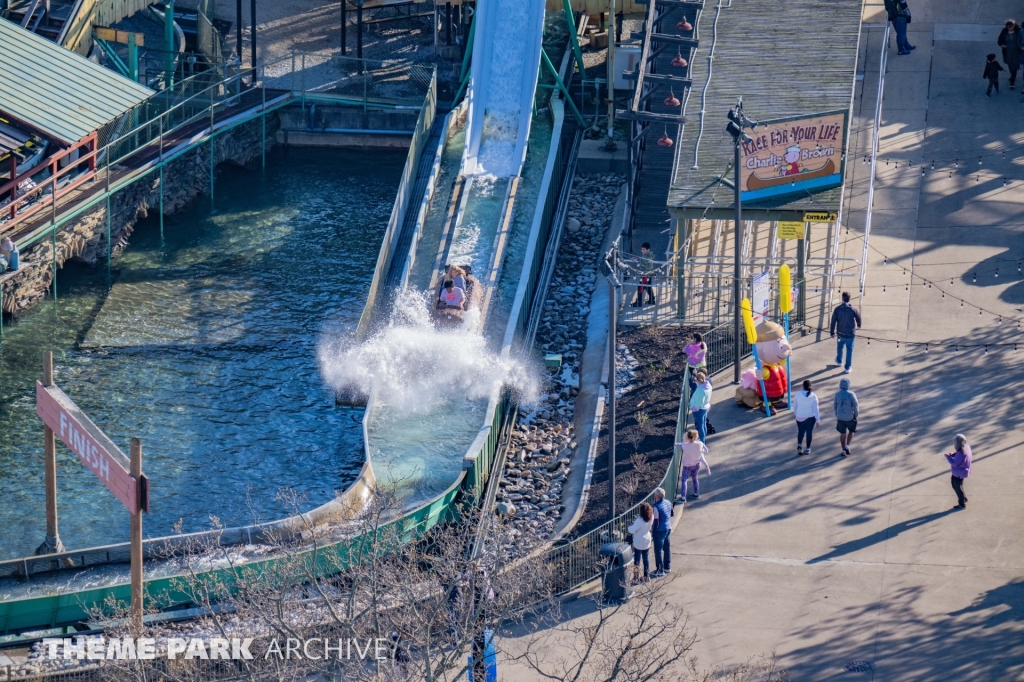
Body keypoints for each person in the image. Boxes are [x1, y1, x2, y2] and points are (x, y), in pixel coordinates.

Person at [829, 291, 862, 373]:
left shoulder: (837, 309)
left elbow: (833, 321)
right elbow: (858, 317)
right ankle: (848, 367)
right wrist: (858, 324)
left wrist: (832, 332)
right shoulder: (853, 309)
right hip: (850, 334)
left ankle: (839, 360)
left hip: (840, 334)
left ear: (842, 299)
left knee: (840, 347)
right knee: (849, 349)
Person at [675, 428, 711, 502]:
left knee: (684, 480)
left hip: (687, 466)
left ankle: (683, 497)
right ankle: (696, 494)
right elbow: (706, 450)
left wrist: (675, 444)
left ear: (688, 437)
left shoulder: (685, 445)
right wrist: (702, 451)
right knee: (695, 478)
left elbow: (679, 444)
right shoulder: (700, 443)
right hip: (697, 464)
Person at [627, 502, 654, 582]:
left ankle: (635, 578)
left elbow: (631, 530)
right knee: (646, 558)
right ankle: (646, 576)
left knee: (637, 560)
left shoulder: (639, 520)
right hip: (647, 539)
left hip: (639, 541)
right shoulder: (651, 517)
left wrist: (631, 526)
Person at [944, 434, 972, 509]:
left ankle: (962, 504)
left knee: (956, 487)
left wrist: (948, 457)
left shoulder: (961, 453)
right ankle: (964, 498)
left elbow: (954, 463)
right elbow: (959, 456)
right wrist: (953, 454)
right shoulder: (966, 447)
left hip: (958, 473)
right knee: (959, 485)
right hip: (963, 471)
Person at [793, 379, 820, 456]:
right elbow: (816, 409)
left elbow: (795, 405)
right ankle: (808, 448)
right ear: (810, 386)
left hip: (799, 416)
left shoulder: (798, 394)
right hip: (810, 417)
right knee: (809, 432)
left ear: (803, 386)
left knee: (800, 432)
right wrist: (818, 420)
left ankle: (799, 445)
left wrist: (796, 414)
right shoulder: (814, 396)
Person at [650, 488, 673, 577]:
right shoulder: (668, 502)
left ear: (656, 496)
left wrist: (653, 531)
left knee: (658, 550)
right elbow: (671, 513)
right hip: (668, 528)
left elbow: (656, 521)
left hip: (659, 530)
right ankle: (667, 567)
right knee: (667, 548)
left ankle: (660, 569)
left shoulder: (656, 507)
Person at [834, 377, 859, 457]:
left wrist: (837, 415)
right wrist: (856, 415)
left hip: (840, 417)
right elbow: (855, 406)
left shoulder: (837, 394)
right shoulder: (852, 394)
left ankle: (843, 450)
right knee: (851, 431)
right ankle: (847, 445)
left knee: (842, 433)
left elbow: (835, 406)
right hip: (850, 417)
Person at [689, 369, 712, 443]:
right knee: (703, 424)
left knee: (700, 426)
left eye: (696, 380)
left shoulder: (701, 390)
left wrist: (694, 408)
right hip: (705, 407)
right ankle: (703, 439)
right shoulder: (707, 386)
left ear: (699, 380)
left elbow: (699, 402)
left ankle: (702, 442)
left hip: (699, 409)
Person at [998, 20, 1023, 89]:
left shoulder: (1018, 32)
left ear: (1014, 26)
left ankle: (1012, 82)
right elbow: (999, 41)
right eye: (1008, 27)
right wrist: (1002, 45)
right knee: (1010, 64)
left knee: (1014, 66)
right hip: (1007, 52)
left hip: (1016, 52)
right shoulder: (1004, 32)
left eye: (1011, 27)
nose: (1009, 28)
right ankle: (1012, 76)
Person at [631, 242, 657, 306]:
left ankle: (639, 302)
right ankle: (651, 300)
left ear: (648, 250)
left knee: (641, 287)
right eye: (642, 249)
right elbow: (643, 261)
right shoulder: (647, 255)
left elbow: (645, 261)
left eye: (644, 249)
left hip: (646, 274)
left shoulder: (648, 256)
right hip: (646, 274)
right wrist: (637, 260)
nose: (642, 251)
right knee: (647, 287)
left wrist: (637, 260)